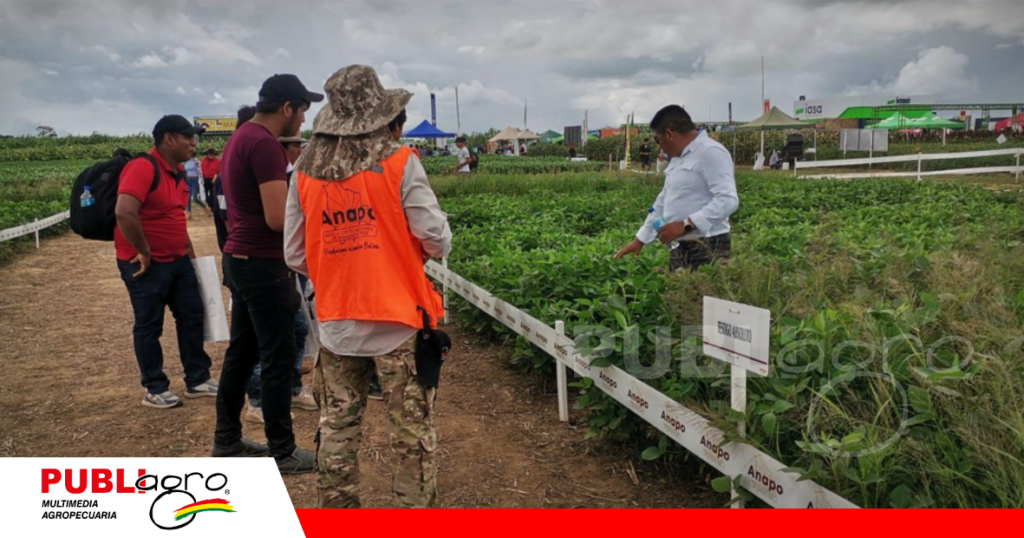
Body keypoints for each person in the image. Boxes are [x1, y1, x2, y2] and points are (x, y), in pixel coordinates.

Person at [284, 65, 451, 508]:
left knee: (337, 427)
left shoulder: (302, 173)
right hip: (398, 322)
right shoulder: (400, 163)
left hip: (337, 322)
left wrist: (339, 265)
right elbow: (437, 239)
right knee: (411, 436)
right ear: (381, 116)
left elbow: (295, 253)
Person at [212, 74, 323, 473]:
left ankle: (226, 439)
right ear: (287, 108)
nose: (303, 121)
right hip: (262, 263)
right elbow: (278, 219)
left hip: (240, 259)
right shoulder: (264, 145)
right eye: (303, 110)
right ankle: (283, 450)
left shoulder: (241, 137)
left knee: (242, 353)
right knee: (279, 357)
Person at [114, 115, 218, 409]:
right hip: (145, 264)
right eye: (188, 137)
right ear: (169, 138)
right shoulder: (142, 168)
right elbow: (125, 212)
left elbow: (174, 217)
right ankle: (154, 387)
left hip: (178, 260)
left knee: (192, 316)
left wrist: (191, 255)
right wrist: (143, 250)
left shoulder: (178, 172)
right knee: (149, 325)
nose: (193, 144)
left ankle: (197, 380)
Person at [243, 133, 317, 425]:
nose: (301, 149)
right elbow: (278, 221)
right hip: (269, 266)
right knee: (269, 337)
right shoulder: (270, 178)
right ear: (281, 148)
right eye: (296, 145)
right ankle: (258, 401)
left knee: (296, 330)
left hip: (289, 266)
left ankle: (293, 388)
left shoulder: (292, 176)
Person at [614, 105, 738, 272]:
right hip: (679, 245)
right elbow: (663, 200)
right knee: (679, 295)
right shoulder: (679, 157)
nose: (659, 147)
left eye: (657, 140)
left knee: (704, 296)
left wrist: (687, 224)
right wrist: (640, 238)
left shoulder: (710, 152)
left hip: (708, 245)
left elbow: (728, 200)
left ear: (669, 134)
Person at [183, 154, 210, 218]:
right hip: (188, 180)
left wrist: (200, 180)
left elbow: (200, 170)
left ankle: (205, 207)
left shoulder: (196, 161)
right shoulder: (185, 161)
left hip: (195, 180)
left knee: (195, 198)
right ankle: (188, 212)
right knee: (188, 197)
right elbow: (184, 171)